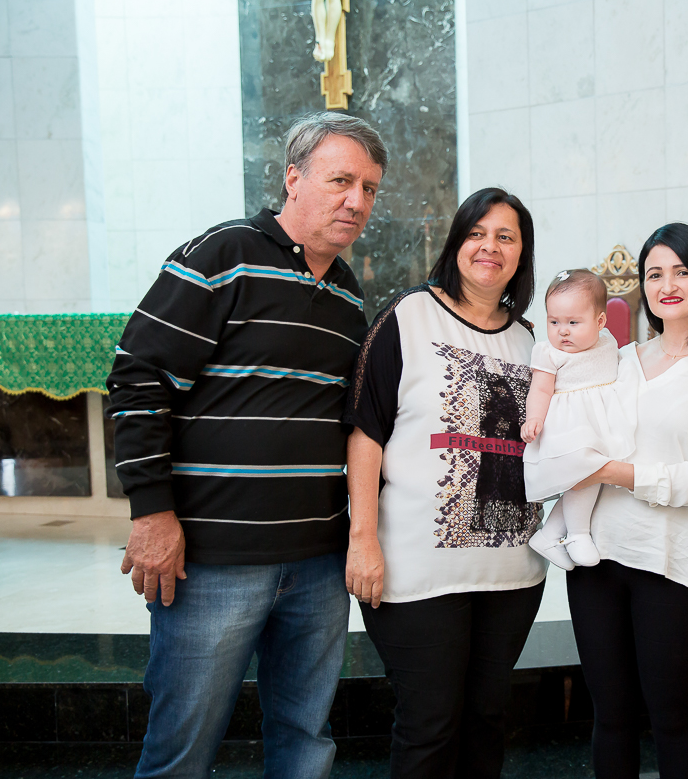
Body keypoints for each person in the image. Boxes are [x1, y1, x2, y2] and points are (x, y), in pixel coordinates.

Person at [108, 111, 386, 777]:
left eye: (371, 188)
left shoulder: (350, 301)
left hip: (317, 566)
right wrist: (151, 514)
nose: (357, 201)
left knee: (306, 739)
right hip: (213, 562)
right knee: (183, 746)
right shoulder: (223, 255)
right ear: (294, 178)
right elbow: (138, 377)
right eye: (341, 180)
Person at [343, 187, 546, 779]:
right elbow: (365, 433)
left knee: (486, 720)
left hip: (512, 573)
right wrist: (362, 537)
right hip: (415, 571)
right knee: (429, 726)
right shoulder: (409, 316)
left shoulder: (535, 342)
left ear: (522, 254)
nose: (490, 247)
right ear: (456, 242)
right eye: (477, 233)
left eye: (505, 237)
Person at [547, 222, 688, 779]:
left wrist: (610, 471)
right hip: (595, 558)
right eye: (654, 273)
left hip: (667, 563)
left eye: (682, 271)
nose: (667, 284)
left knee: (672, 717)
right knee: (610, 716)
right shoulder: (615, 357)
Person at [522, 269, 635, 569]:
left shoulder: (607, 341)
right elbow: (540, 389)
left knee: (592, 478)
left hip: (600, 422)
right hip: (569, 426)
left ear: (600, 322)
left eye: (573, 322)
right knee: (584, 475)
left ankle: (548, 535)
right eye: (554, 322)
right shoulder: (548, 353)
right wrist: (533, 418)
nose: (563, 331)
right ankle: (578, 534)